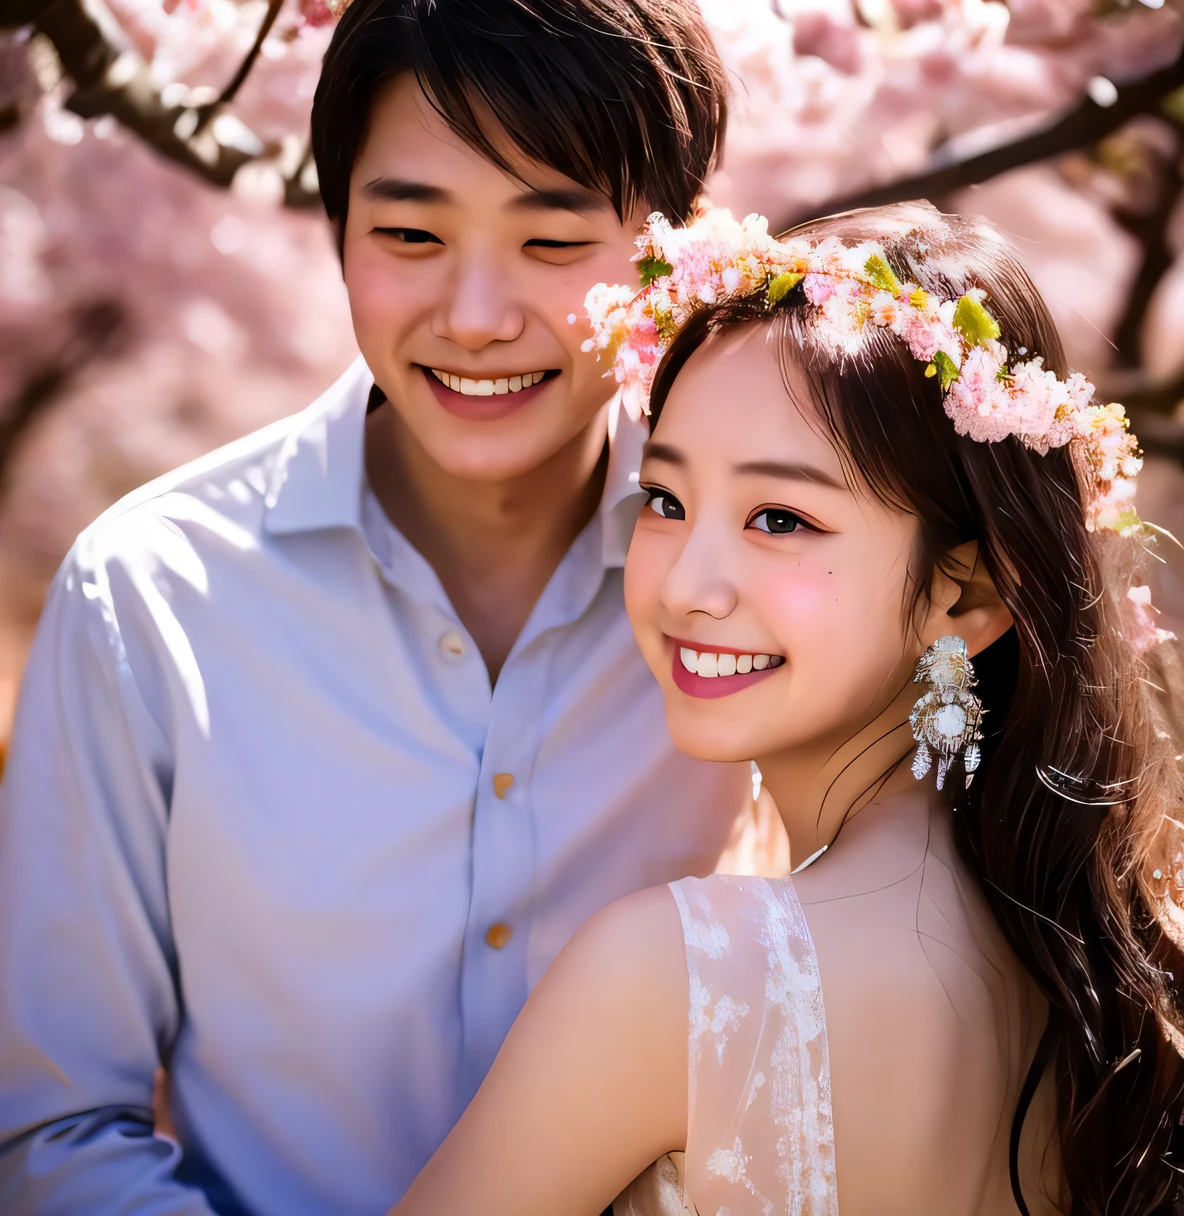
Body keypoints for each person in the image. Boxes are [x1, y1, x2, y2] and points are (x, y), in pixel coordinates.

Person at [0, 4, 761, 1214]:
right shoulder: (150, 597)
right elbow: (50, 1131)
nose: (472, 315)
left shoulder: (760, 602)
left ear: (671, 248)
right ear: (337, 230)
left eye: (551, 241)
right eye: (408, 232)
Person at [386, 202, 1184, 1216]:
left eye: (779, 518)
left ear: (968, 596)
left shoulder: (678, 976)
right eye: (665, 502)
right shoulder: (1092, 968)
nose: (684, 586)